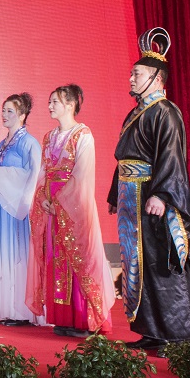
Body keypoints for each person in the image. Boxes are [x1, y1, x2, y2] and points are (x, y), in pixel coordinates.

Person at [110, 28, 190, 352]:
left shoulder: (166, 112)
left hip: (150, 196)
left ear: (156, 78)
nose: (131, 79)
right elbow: (125, 156)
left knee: (160, 263)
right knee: (139, 264)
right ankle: (151, 330)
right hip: (132, 198)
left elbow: (171, 156)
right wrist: (115, 194)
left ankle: (175, 334)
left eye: (137, 74)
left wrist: (162, 195)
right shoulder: (137, 112)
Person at [27, 84, 114, 337]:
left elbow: (82, 175)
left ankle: (83, 319)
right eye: (50, 101)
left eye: (55, 101)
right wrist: (42, 197)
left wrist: (61, 203)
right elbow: (43, 173)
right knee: (55, 258)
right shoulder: (49, 137)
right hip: (52, 206)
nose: (50, 106)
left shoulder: (83, 134)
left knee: (77, 258)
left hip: (73, 208)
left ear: (71, 104)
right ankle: (62, 318)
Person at [0, 93, 43, 326]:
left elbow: (35, 176)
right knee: (4, 255)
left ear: (22, 115)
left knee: (19, 255)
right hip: (2, 205)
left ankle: (23, 311)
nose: (4, 115)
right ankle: (8, 308)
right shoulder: (2, 144)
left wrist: (25, 204)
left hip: (18, 207)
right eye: (3, 110)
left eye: (10, 111)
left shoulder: (29, 142)